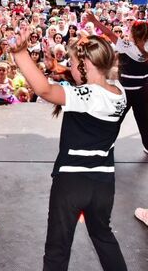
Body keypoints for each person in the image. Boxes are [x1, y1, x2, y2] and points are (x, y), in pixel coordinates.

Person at [10, 27, 127, 271]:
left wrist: (21, 54)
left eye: (73, 62)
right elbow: (101, 77)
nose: (70, 67)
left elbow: (44, 90)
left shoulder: (87, 96)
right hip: (103, 185)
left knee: (57, 250)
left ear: (85, 64)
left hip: (72, 183)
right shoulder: (119, 93)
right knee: (103, 237)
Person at [87, 12, 148, 153]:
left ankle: (105, 145)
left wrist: (95, 21)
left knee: (114, 120)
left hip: (125, 92)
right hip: (143, 91)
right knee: (144, 121)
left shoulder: (126, 46)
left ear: (133, 34)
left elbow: (108, 33)